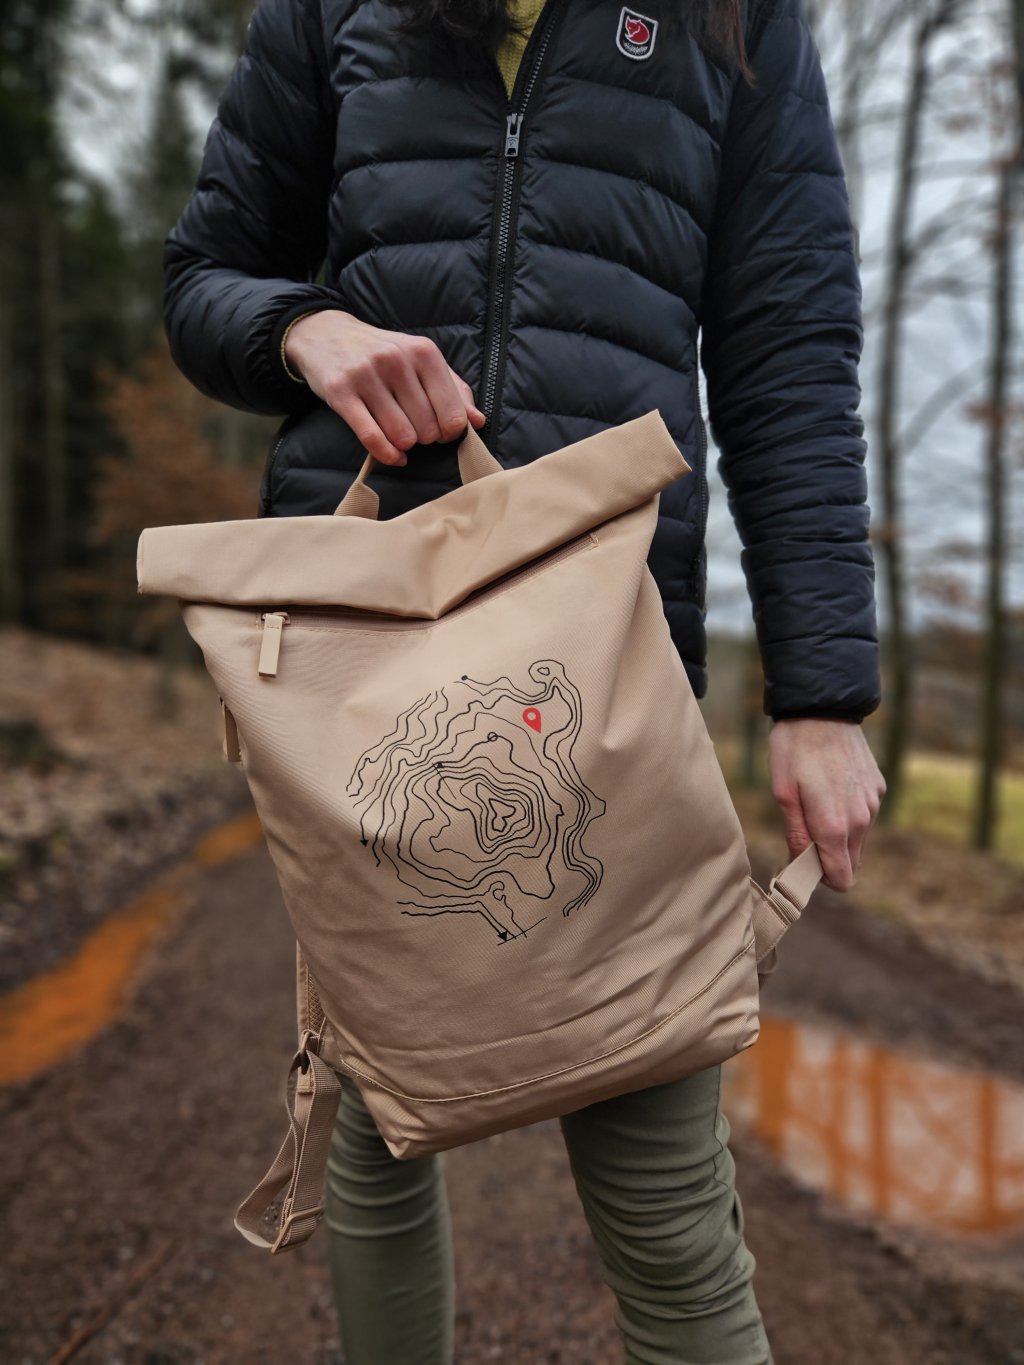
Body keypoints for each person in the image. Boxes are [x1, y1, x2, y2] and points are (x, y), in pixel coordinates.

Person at [164, 0, 887, 1359]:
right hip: (364, 662)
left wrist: (821, 692)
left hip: (605, 658)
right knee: (380, 1119)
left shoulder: (736, 18)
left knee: (663, 1186)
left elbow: (788, 348)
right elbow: (203, 278)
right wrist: (305, 327)